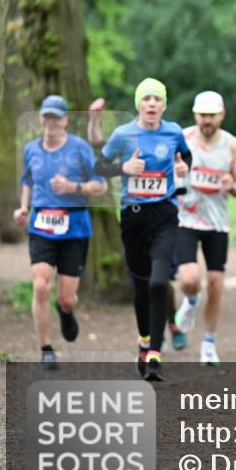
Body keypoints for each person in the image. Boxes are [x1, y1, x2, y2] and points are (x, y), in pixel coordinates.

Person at [94, 78, 191, 381]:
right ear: (139, 104)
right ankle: (144, 342)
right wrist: (124, 169)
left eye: (157, 99)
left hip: (164, 215)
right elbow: (100, 166)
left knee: (158, 283)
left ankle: (155, 356)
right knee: (141, 284)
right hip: (133, 217)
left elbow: (185, 155)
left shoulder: (174, 131)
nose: (151, 104)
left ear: (163, 105)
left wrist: (183, 168)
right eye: (146, 98)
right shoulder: (123, 135)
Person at [15, 95, 108, 368]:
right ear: (41, 119)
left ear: (66, 120)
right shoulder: (31, 149)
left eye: (57, 117)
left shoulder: (79, 148)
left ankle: (66, 311)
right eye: (48, 116)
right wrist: (23, 208)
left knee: (67, 298)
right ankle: (46, 348)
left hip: (75, 228)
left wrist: (73, 188)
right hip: (42, 225)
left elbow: (100, 185)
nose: (52, 122)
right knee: (41, 285)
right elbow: (27, 182)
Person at [172, 91, 236, 366]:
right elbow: (165, 175)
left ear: (221, 115)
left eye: (211, 115)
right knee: (190, 279)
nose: (206, 120)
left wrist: (232, 186)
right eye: (202, 115)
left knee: (216, 285)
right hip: (186, 219)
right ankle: (191, 303)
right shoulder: (181, 139)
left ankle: (208, 344)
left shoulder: (232, 145)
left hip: (217, 222)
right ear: (195, 114)